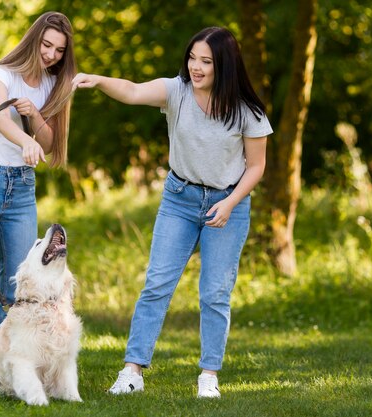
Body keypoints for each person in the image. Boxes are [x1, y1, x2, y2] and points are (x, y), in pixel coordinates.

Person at [72, 27, 273, 398]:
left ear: (224, 65)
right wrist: (97, 80)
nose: (195, 67)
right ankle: (132, 371)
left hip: (227, 203)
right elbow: (132, 91)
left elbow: (256, 167)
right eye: (192, 58)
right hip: (179, 199)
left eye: (206, 61)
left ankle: (208, 375)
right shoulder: (176, 91)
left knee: (215, 293)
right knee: (157, 285)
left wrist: (229, 203)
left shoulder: (247, 111)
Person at [0, 11, 76, 383]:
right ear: (33, 40)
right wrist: (24, 138)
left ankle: (5, 365)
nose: (52, 54)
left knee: (16, 286)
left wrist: (35, 115)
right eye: (46, 45)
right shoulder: (0, 75)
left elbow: (51, 141)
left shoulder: (52, 86)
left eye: (59, 50)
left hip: (21, 190)